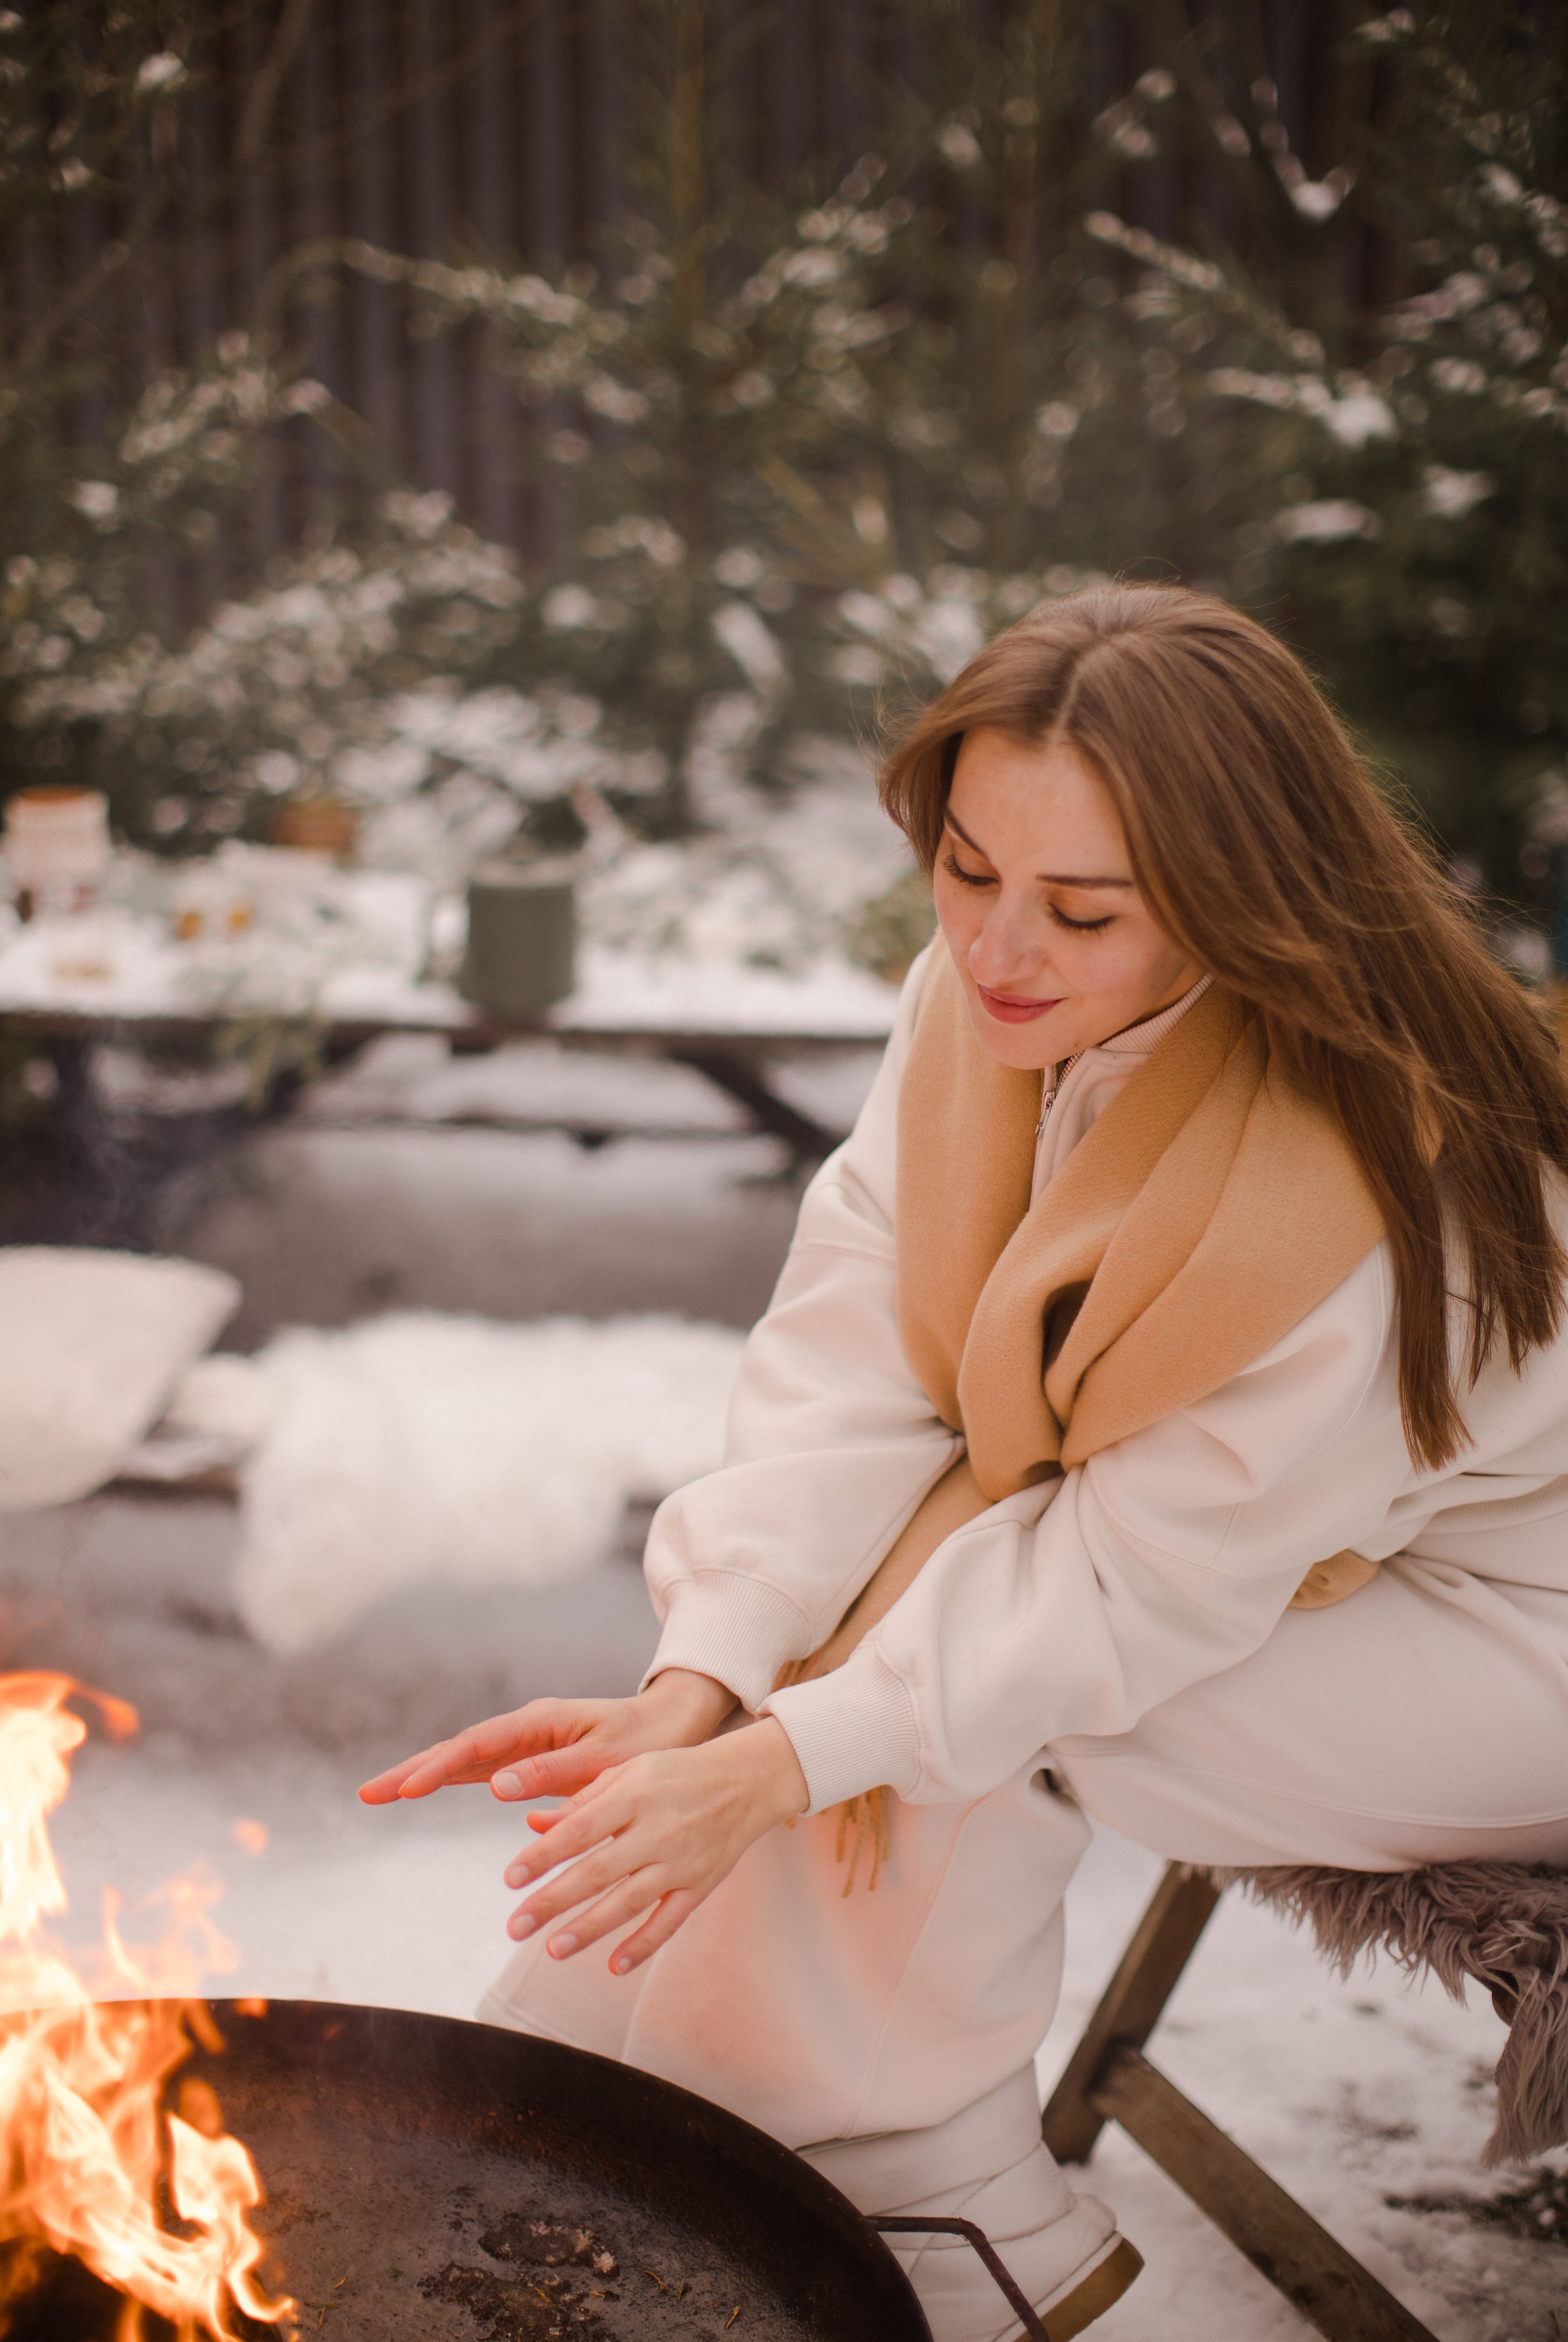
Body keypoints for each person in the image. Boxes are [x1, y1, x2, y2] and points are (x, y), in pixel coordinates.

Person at [362, 585, 1568, 2342]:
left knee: (975, 1672)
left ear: (1245, 904)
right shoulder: (990, 1017)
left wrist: (788, 1754)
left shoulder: (1376, 1187)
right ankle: (713, 2117)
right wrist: (708, 1676)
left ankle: (903, 2163)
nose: (998, 950)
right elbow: (857, 1338)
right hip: (1285, 1563)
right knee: (892, 1618)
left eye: (1082, 910)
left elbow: (1124, 1587)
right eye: (967, 869)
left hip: (1511, 1641)